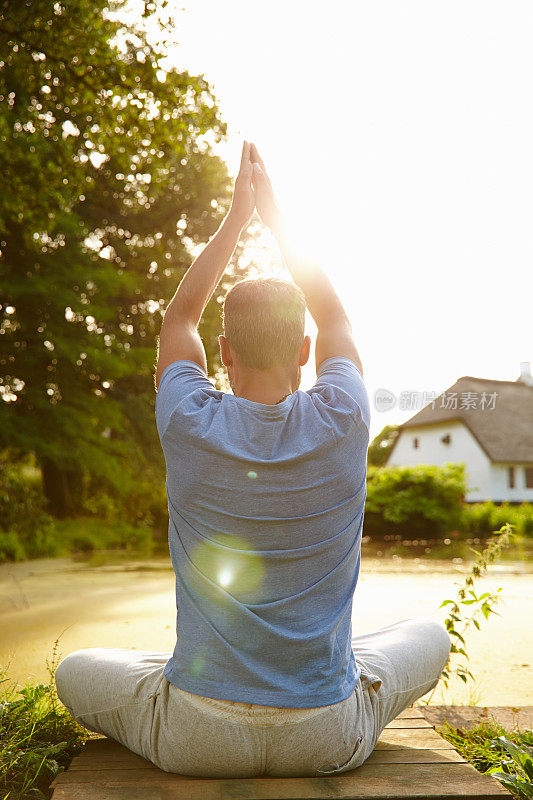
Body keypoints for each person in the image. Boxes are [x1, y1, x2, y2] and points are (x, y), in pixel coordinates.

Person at [55, 142, 450, 778]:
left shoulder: (187, 420)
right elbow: (335, 314)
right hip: (327, 734)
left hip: (197, 736)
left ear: (222, 351)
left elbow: (178, 316)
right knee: (431, 635)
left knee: (73, 670)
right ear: (304, 351)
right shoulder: (345, 416)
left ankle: (196, 678)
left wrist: (234, 220)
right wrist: (276, 218)